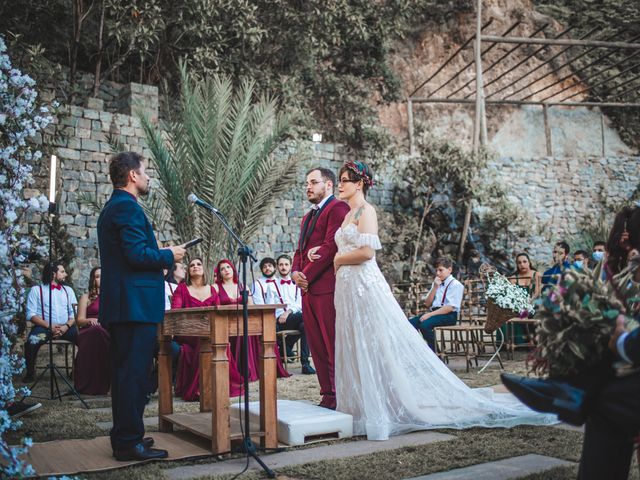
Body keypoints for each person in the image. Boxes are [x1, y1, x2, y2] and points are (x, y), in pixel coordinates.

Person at [318, 161, 555, 441]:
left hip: (363, 285)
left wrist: (338, 259)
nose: (341, 184)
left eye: (346, 180)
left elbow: (368, 253)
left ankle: (382, 411)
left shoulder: (367, 211)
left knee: (373, 342)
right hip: (347, 288)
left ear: (360, 184)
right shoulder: (347, 215)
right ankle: (358, 411)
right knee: (352, 342)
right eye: (341, 180)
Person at [502, 205, 640, 480]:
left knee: (608, 403)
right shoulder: (612, 267)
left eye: (632, 237)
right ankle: (571, 390)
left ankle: (573, 392)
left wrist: (623, 340)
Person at [98, 151, 186, 461]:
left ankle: (128, 435)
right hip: (132, 307)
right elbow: (136, 256)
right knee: (131, 375)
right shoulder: (126, 208)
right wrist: (168, 255)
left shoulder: (117, 207)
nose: (148, 177)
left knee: (129, 374)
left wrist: (159, 255)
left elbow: (129, 255)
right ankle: (127, 443)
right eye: (145, 172)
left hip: (127, 305)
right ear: (133, 175)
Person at [292, 167, 350, 410]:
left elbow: (330, 247)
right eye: (307, 183)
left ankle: (339, 394)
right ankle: (327, 394)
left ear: (328, 185)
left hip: (327, 287)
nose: (308, 187)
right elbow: (300, 250)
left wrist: (306, 275)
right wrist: (295, 272)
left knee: (331, 343)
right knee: (316, 345)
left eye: (313, 182)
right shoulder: (307, 217)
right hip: (307, 290)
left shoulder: (338, 208)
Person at [171, 258, 243, 400]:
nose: (195, 266)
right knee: (208, 339)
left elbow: (218, 314)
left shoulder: (211, 289)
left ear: (204, 269)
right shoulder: (182, 288)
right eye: (192, 265)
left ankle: (217, 385)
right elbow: (176, 312)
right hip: (188, 333)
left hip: (210, 332)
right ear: (188, 271)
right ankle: (200, 387)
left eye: (198, 264)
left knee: (215, 339)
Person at [214, 259, 290, 381]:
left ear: (233, 269)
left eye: (228, 267)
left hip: (243, 321)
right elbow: (216, 307)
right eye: (222, 269)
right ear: (219, 273)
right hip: (226, 322)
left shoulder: (242, 286)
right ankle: (242, 370)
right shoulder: (216, 287)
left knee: (258, 330)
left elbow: (251, 306)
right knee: (243, 331)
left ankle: (263, 368)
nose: (226, 270)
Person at [24, 261, 78, 383]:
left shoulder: (68, 290)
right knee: (32, 341)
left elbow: (74, 313)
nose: (66, 274)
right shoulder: (36, 290)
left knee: (84, 339)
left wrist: (66, 326)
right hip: (43, 328)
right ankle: (30, 373)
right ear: (53, 274)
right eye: (62, 272)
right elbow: (30, 314)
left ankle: (75, 372)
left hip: (66, 328)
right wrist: (49, 326)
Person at [265, 254, 315, 374]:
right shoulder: (271, 285)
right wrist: (281, 315)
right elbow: (270, 306)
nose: (283, 267)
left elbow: (299, 304)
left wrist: (287, 312)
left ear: (290, 266)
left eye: (286, 264)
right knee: (308, 318)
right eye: (281, 264)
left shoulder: (297, 284)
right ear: (277, 266)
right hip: (279, 320)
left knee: (305, 325)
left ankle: (304, 364)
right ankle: (286, 347)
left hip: (294, 318)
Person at [407, 258, 464, 351]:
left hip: (448, 315)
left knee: (425, 326)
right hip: (435, 313)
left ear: (449, 270)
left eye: (441, 270)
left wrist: (429, 315)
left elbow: (449, 308)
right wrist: (435, 288)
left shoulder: (456, 285)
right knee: (410, 324)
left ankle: (436, 352)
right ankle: (418, 350)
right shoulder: (437, 283)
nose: (437, 273)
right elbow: (427, 304)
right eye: (436, 270)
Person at [74, 266, 111, 395]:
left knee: (102, 332)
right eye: (97, 276)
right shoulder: (86, 297)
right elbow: (79, 320)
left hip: (107, 328)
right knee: (96, 331)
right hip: (89, 329)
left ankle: (106, 381)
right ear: (93, 280)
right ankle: (87, 383)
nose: (101, 279)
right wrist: (90, 320)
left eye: (102, 276)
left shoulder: (112, 296)